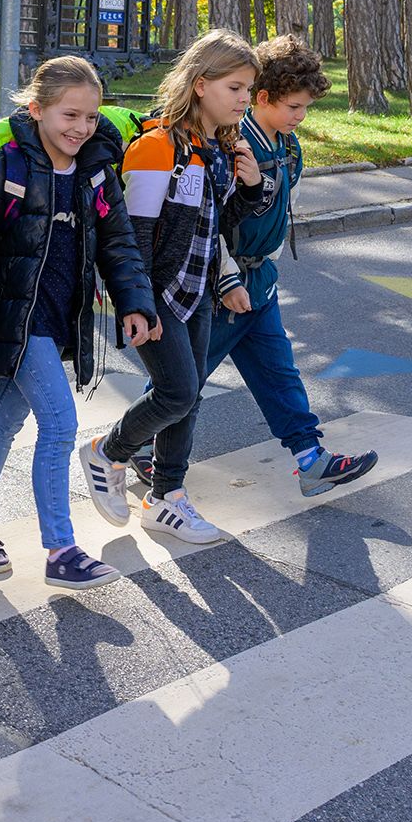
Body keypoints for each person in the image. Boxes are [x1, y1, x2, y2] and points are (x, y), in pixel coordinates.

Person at [0, 57, 157, 590]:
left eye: (91, 116)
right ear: (36, 110)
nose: (81, 128)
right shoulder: (7, 167)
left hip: (61, 316)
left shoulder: (96, 170)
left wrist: (135, 302)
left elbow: (119, 242)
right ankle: (61, 549)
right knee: (60, 424)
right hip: (15, 319)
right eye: (69, 115)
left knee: (5, 419)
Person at [79, 30, 269, 544]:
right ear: (201, 84)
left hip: (200, 291)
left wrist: (252, 189)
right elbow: (132, 238)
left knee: (191, 396)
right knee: (178, 391)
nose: (244, 99)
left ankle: (167, 497)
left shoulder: (221, 149)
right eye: (235, 88)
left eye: (249, 89)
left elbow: (218, 222)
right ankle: (107, 451)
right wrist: (136, 303)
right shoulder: (158, 147)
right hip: (160, 294)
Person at [190, 36, 380, 496]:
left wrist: (266, 270)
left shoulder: (290, 146)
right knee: (184, 381)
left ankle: (310, 457)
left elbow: (284, 207)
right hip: (225, 283)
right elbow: (208, 219)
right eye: (293, 106)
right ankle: (126, 446)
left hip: (261, 281)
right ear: (261, 98)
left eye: (305, 108)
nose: (299, 116)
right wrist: (228, 276)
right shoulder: (234, 144)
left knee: (278, 371)